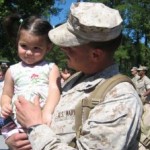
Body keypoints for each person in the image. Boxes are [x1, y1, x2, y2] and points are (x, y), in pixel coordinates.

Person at [6, 2, 142, 150]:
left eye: (70, 45)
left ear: (95, 55)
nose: (62, 48)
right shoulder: (74, 81)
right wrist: (12, 138)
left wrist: (35, 127)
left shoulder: (120, 98)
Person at [0, 15, 61, 140]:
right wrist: (5, 104)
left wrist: (47, 112)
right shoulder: (12, 70)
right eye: (24, 46)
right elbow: (6, 93)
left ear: (48, 48)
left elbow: (55, 90)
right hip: (17, 125)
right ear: (17, 43)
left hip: (45, 121)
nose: (28, 52)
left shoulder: (51, 68)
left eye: (36, 48)